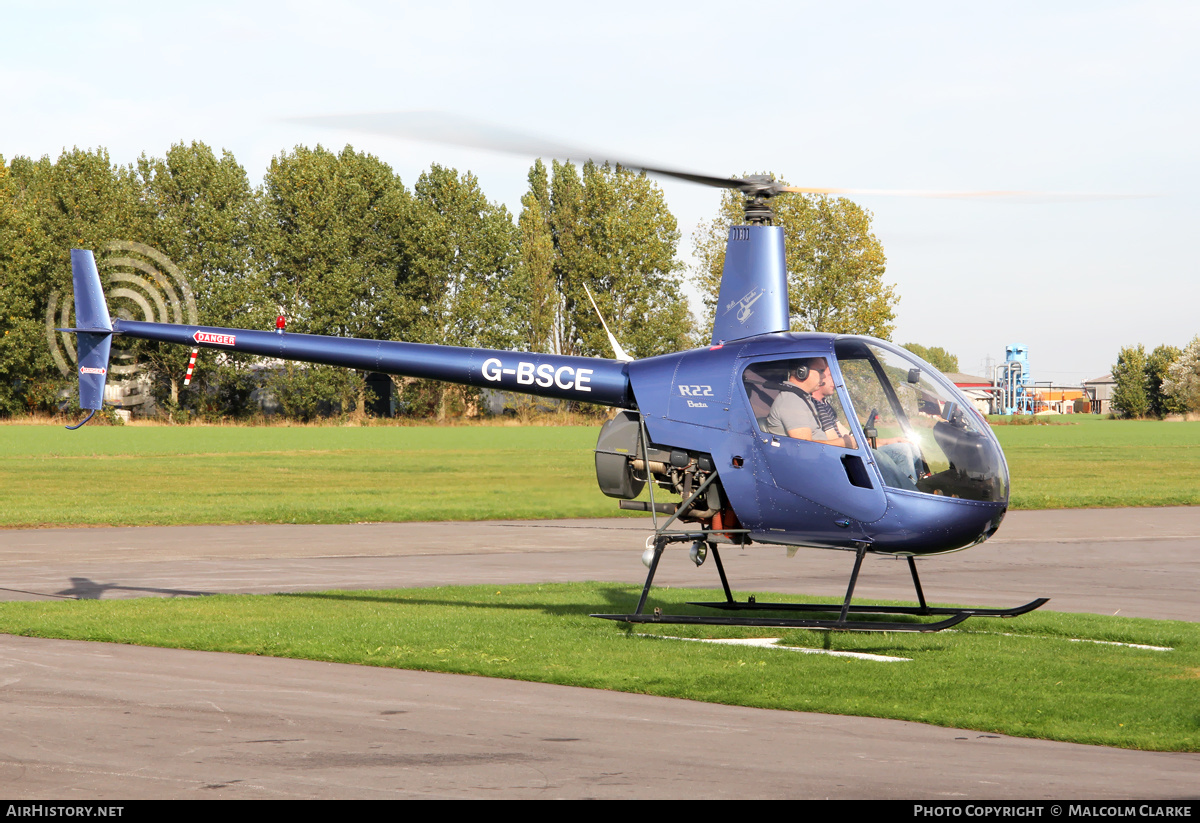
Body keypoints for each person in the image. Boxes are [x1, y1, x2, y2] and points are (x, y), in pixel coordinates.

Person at [764, 358, 854, 449]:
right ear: (802, 372)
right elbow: (805, 447)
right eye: (821, 371)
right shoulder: (791, 401)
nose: (823, 377)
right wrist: (843, 443)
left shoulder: (801, 399)